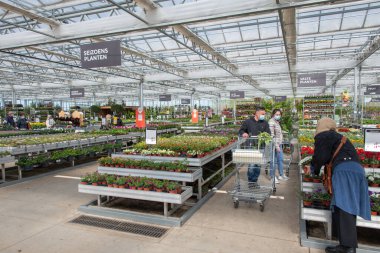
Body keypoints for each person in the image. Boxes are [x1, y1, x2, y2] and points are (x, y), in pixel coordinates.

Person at [311, 118, 370, 253]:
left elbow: (321, 157)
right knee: (345, 207)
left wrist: (314, 169)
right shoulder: (340, 137)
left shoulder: (323, 136)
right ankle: (345, 245)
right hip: (357, 170)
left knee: (344, 207)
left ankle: (348, 247)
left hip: (344, 171)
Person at [238, 106, 271, 184]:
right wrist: (244, 133)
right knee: (252, 165)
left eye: (264, 114)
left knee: (258, 165)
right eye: (262, 114)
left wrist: (266, 137)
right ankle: (251, 182)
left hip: (261, 147)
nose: (264, 115)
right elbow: (241, 130)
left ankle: (255, 181)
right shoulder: (248, 122)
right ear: (257, 113)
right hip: (251, 146)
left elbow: (268, 133)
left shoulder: (265, 123)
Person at [269, 109, 289, 183]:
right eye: (276, 114)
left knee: (280, 159)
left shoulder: (277, 122)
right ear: (273, 114)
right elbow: (272, 135)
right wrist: (277, 146)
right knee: (273, 161)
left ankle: (281, 174)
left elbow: (278, 132)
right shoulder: (271, 122)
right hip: (274, 144)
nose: (278, 116)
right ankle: (272, 177)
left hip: (279, 143)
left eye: (279, 114)